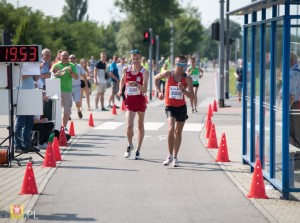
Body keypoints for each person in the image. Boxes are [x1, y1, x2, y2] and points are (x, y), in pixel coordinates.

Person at [154, 55, 194, 167]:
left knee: (178, 132)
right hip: (170, 106)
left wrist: (183, 90)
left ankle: (175, 157)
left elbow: (192, 96)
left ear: (186, 65)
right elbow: (155, 79)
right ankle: (169, 155)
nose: (180, 67)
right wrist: (159, 92)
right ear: (174, 64)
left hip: (181, 107)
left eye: (183, 65)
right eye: (178, 64)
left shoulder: (187, 78)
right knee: (171, 128)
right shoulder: (168, 74)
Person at [117, 49, 149, 160]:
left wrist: (136, 84)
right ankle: (130, 145)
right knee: (129, 125)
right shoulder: (126, 69)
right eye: (133, 59)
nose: (135, 61)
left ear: (141, 58)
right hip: (129, 101)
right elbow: (122, 80)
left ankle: (138, 150)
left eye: (137, 59)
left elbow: (144, 89)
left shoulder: (145, 72)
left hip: (140, 100)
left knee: (140, 125)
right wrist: (120, 90)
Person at [52, 51, 78, 130]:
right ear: (60, 57)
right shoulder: (56, 65)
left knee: (67, 110)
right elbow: (51, 75)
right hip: (57, 89)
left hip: (67, 90)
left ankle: (64, 127)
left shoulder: (71, 65)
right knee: (56, 110)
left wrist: (71, 72)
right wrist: (57, 74)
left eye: (66, 55)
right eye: (63, 56)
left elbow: (76, 77)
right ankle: (56, 127)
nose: (65, 57)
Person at [14, 74, 40, 153]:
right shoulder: (21, 63)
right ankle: (17, 146)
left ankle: (27, 145)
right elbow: (18, 76)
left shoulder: (32, 66)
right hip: (20, 93)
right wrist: (31, 72)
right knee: (20, 123)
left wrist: (37, 70)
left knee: (29, 123)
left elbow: (35, 78)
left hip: (30, 94)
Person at [289, 52, 300, 148]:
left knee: (293, 129)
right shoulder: (297, 71)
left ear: (290, 61)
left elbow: (291, 95)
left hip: (294, 104)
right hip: (296, 103)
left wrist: (287, 107)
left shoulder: (293, 74)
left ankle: (294, 152)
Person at [69, 54, 85, 119]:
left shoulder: (79, 66)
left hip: (77, 86)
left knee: (77, 101)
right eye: (71, 58)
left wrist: (84, 80)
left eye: (74, 58)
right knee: (69, 102)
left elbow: (83, 74)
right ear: (69, 59)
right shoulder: (67, 66)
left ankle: (78, 110)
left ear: (76, 59)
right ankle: (68, 114)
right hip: (69, 86)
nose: (72, 59)